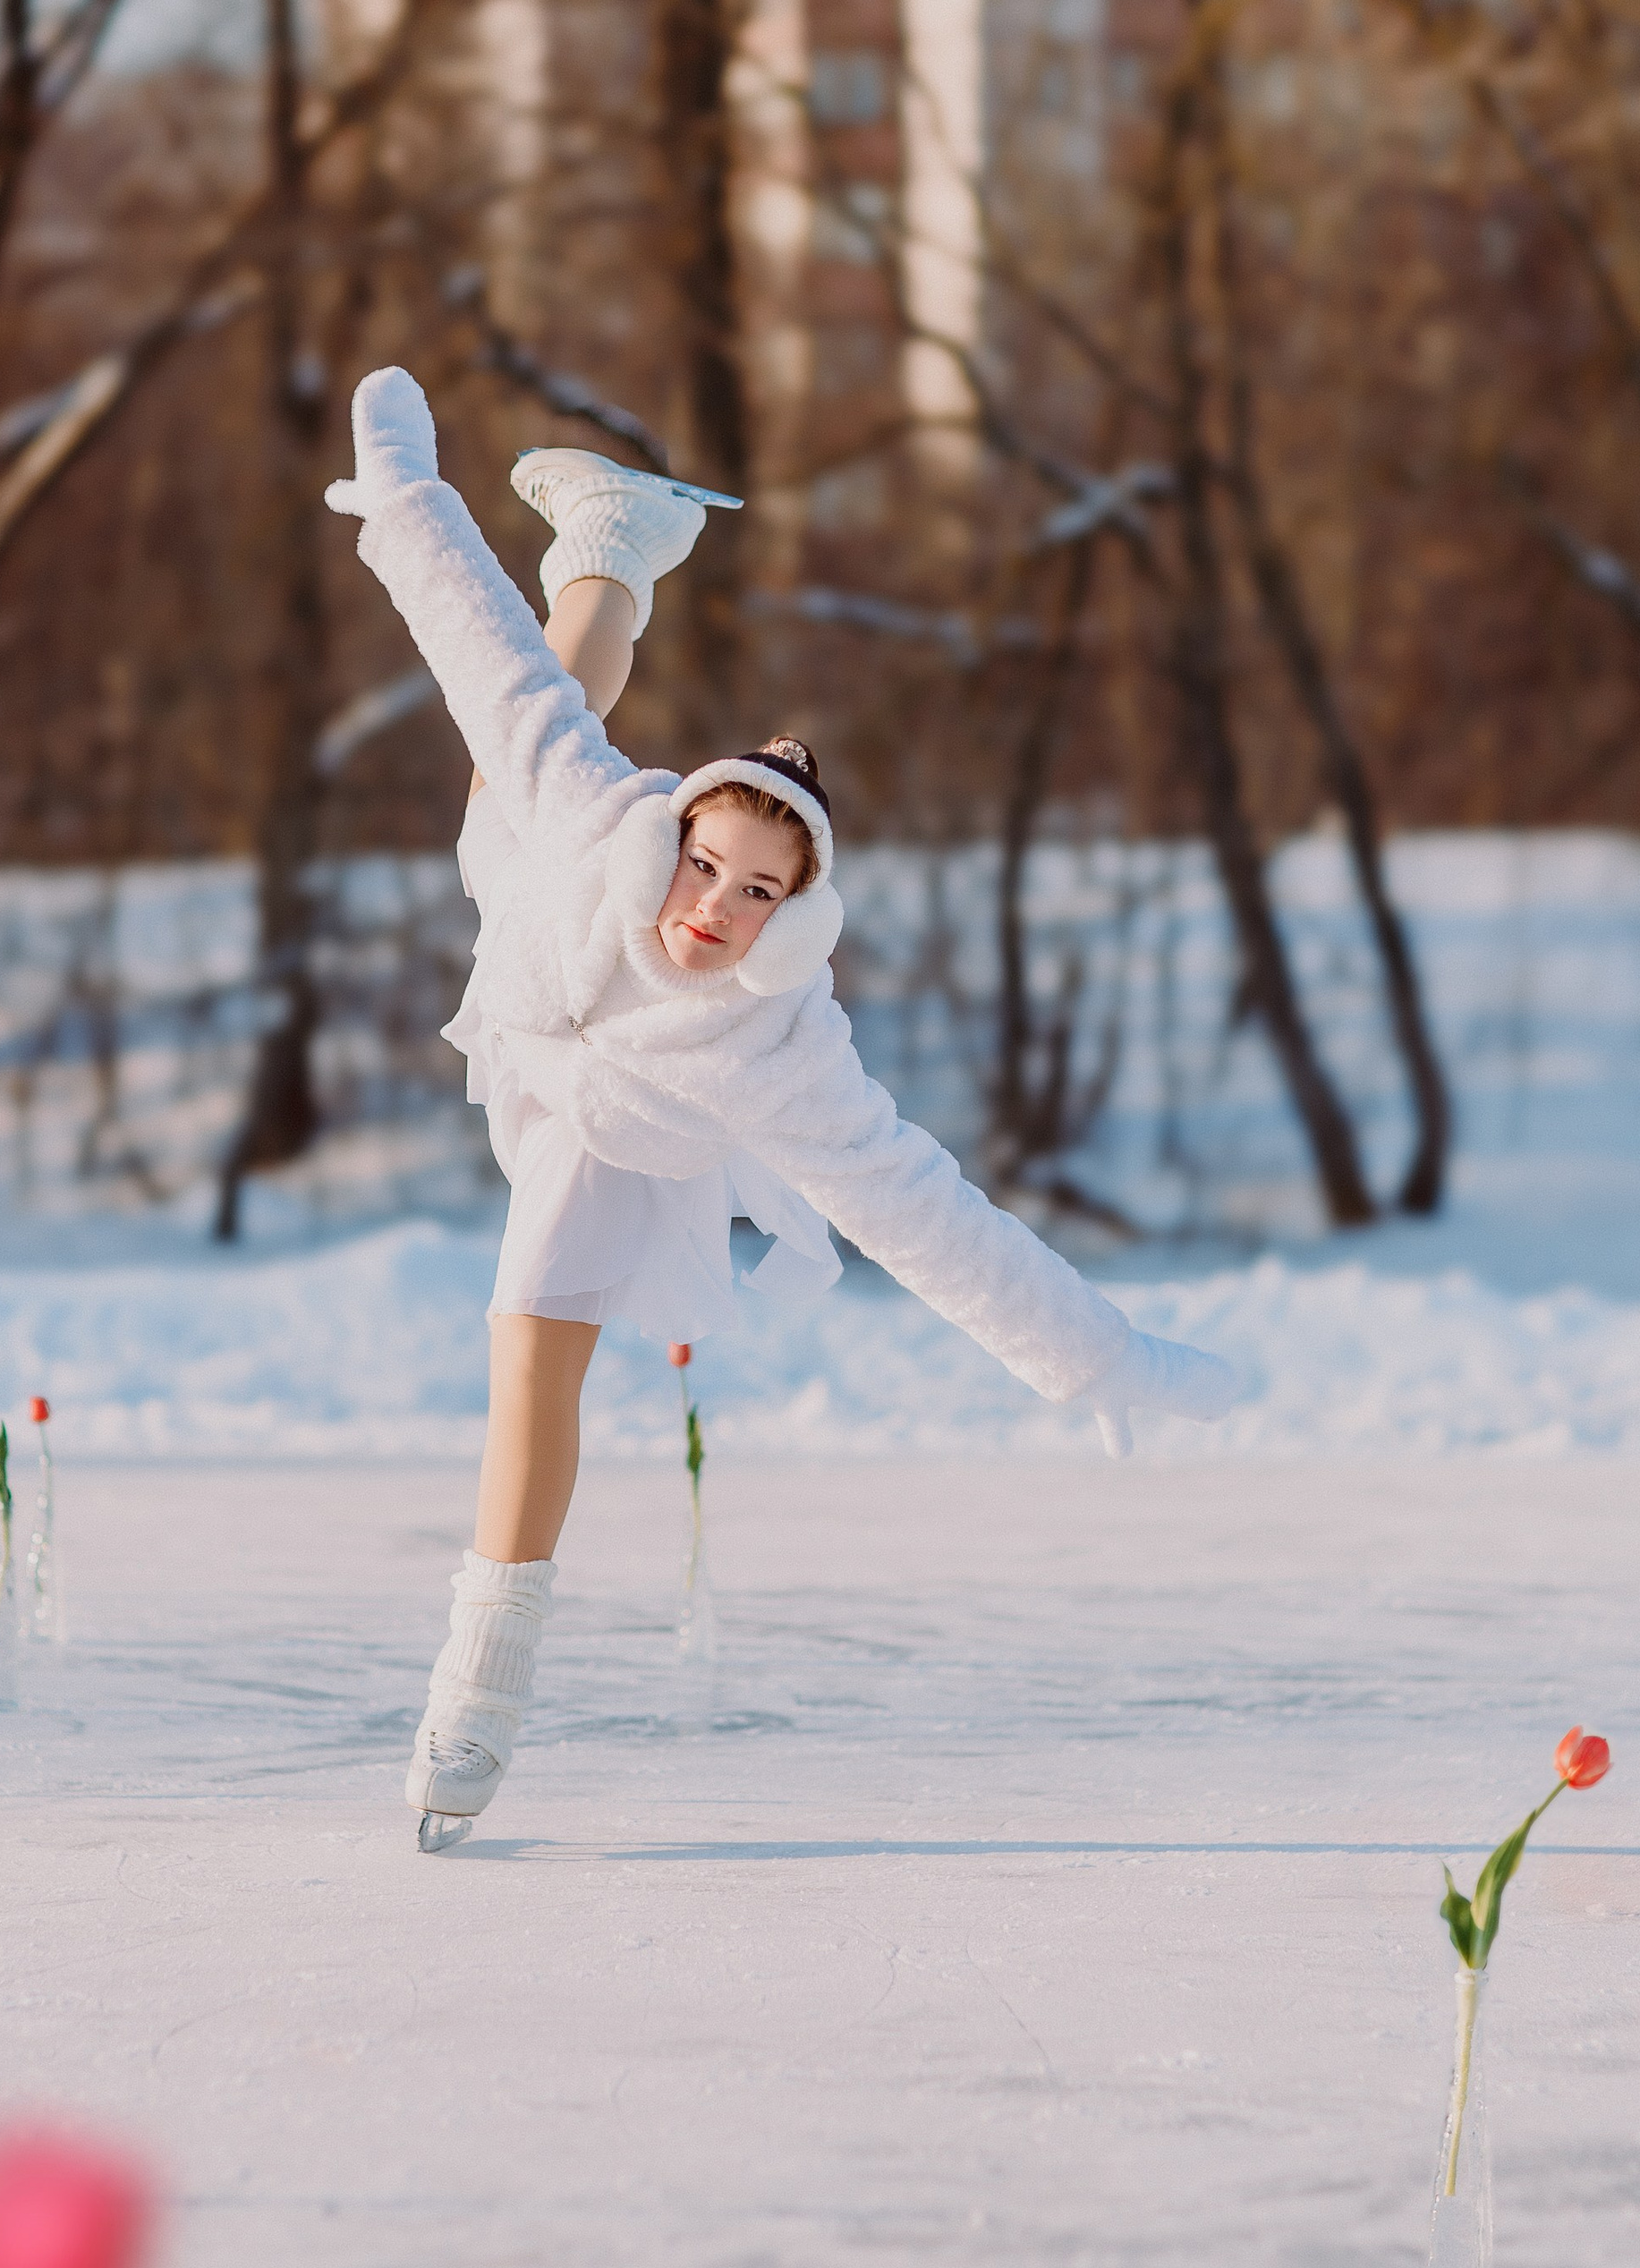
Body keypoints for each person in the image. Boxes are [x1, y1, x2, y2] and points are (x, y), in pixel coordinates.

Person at [327, 368, 1241, 1847]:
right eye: (709, 867)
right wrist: (406, 497)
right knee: (514, 744)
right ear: (671, 834)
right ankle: (614, 540)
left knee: (529, 1371)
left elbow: (926, 1215)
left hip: (614, 1132)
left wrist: (1101, 1360)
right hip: (535, 945)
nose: (720, 908)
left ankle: (474, 1708)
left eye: (760, 896)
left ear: (792, 918)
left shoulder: (777, 1046)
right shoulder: (596, 818)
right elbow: (484, 656)